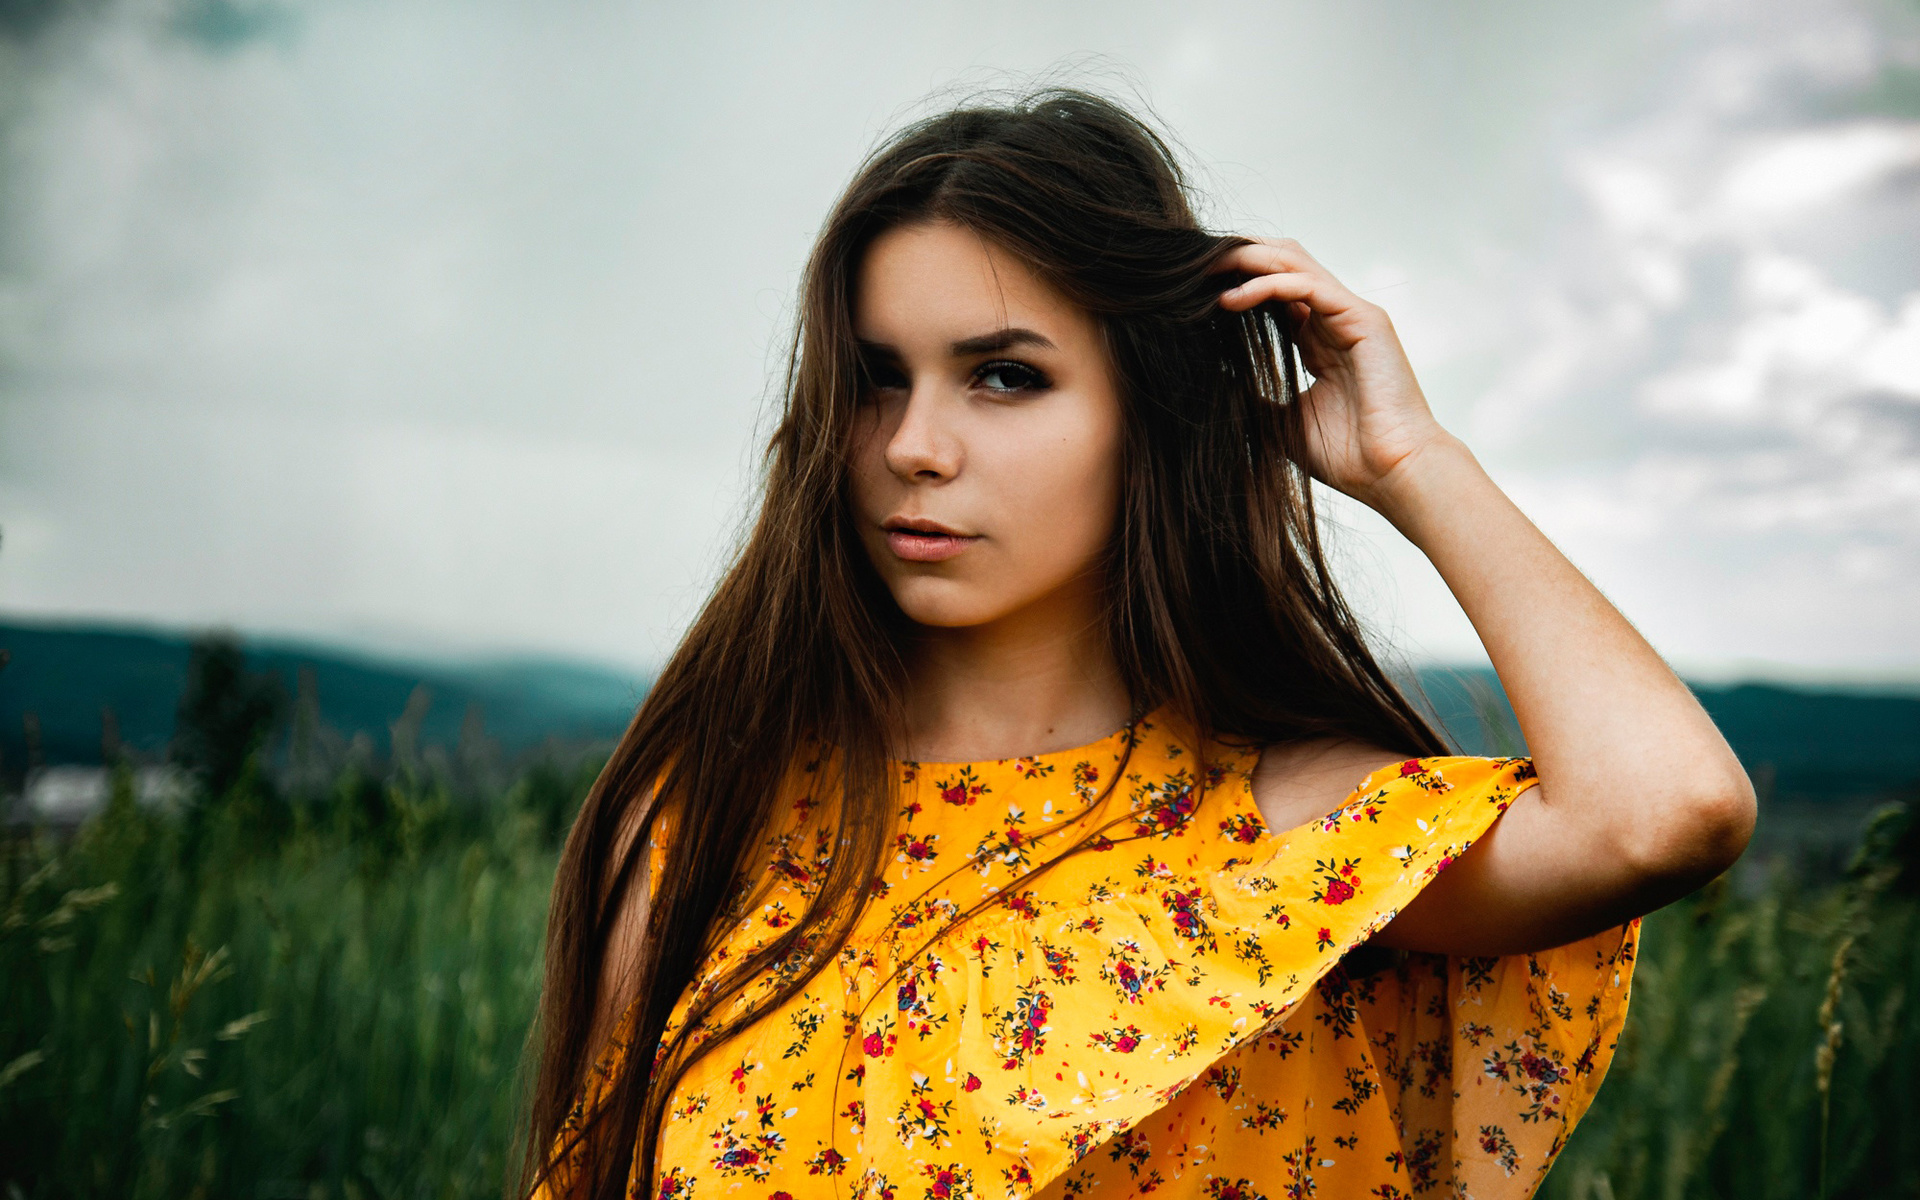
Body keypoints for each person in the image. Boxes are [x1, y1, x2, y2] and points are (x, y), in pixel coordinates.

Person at [522, 89, 1755, 1200]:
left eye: (1003, 377)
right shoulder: (717, 821)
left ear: (1151, 412)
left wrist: (1413, 465)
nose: (913, 444)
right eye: (876, 378)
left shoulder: (1283, 834)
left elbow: (1667, 815)